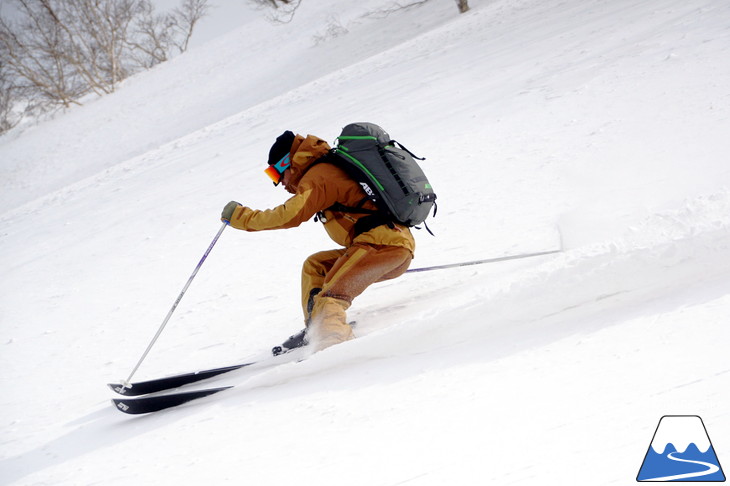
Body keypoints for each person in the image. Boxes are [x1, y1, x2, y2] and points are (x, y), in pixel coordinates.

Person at [221, 130, 415, 353]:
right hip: (385, 245)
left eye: (276, 175)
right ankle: (318, 328)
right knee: (316, 265)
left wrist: (240, 216)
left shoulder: (320, 175)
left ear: (289, 163)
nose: (279, 183)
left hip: (382, 245)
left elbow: (288, 215)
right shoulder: (323, 171)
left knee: (331, 297)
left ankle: (332, 347)